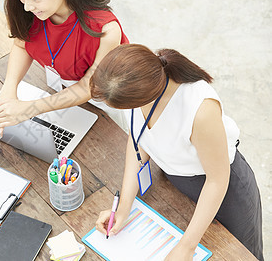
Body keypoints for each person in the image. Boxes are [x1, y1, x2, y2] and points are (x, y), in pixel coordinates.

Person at [92, 44, 263, 260]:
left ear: (144, 96)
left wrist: (186, 247)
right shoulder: (138, 87)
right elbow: (138, 139)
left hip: (222, 191)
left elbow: (217, 180)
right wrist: (124, 207)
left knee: (240, 255)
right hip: (175, 181)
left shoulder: (199, 109)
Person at [0, 0, 130, 137]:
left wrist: (28, 110)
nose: (27, 6)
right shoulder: (31, 13)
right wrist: (8, 90)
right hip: (65, 90)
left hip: (109, 98)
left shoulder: (105, 29)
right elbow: (21, 45)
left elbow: (87, 87)